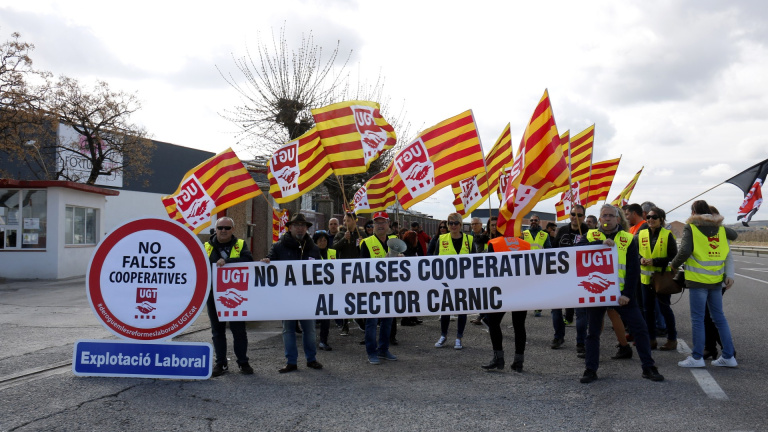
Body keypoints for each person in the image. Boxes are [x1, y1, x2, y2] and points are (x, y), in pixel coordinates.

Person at [578, 204, 664, 383]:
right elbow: (576, 251)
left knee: (640, 329)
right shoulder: (590, 235)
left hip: (621, 295)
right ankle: (590, 369)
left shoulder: (628, 238)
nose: (607, 218)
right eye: (604, 215)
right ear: (600, 219)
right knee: (592, 332)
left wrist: (628, 294)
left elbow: (633, 270)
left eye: (611, 215)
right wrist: (599, 244)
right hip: (597, 293)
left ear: (618, 219)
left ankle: (648, 367)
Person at [670, 200, 738, 368]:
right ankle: (729, 356)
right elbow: (734, 235)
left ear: (693, 212)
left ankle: (697, 357)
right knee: (719, 318)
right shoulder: (720, 229)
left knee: (698, 319)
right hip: (716, 280)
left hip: (697, 280)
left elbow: (685, 251)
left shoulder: (691, 228)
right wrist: (717, 222)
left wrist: (674, 265)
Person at [262, 214, 323, 373]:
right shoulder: (278, 247)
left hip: (307, 296)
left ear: (307, 228)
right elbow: (270, 261)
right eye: (296, 225)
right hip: (286, 297)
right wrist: (266, 261)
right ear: (290, 228)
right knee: (288, 330)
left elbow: (320, 271)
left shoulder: (313, 248)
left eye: (303, 225)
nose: (300, 228)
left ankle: (311, 359)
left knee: (309, 330)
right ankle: (291, 362)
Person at [205, 217, 254, 377]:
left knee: (239, 331)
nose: (223, 230)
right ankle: (221, 363)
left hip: (236, 294)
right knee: (217, 331)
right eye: (220, 228)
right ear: (216, 229)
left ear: (233, 229)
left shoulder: (240, 244)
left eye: (227, 228)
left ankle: (243, 362)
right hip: (214, 295)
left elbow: (248, 260)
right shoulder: (206, 246)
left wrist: (227, 261)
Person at [482, 235, 531, 372]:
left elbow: (489, 267)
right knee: (519, 325)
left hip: (501, 289)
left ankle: (498, 358)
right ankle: (518, 362)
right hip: (521, 288)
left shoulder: (495, 243)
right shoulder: (525, 244)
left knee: (493, 322)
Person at [359, 211, 399, 365]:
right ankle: (371, 352)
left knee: (387, 321)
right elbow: (363, 267)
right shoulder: (366, 243)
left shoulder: (394, 241)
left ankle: (383, 349)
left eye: (383, 222)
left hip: (390, 287)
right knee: (372, 322)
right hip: (372, 288)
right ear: (373, 225)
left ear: (388, 224)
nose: (380, 225)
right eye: (377, 222)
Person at [637, 206, 678, 351]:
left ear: (661, 219)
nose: (650, 219)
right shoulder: (641, 234)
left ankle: (672, 339)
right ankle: (651, 339)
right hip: (645, 280)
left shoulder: (667, 235)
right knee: (648, 311)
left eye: (654, 217)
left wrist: (655, 261)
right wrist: (640, 259)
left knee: (665, 309)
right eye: (648, 217)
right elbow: (635, 252)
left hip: (662, 279)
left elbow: (673, 257)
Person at [433, 213, 475, 350]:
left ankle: (459, 337)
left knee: (462, 310)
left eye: (456, 223)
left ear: (460, 224)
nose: (453, 226)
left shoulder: (469, 239)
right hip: (446, 281)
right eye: (450, 223)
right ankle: (443, 335)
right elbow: (434, 259)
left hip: (464, 281)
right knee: (445, 309)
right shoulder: (441, 239)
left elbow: (475, 260)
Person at [550, 205, 588, 354]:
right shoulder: (562, 230)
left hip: (581, 277)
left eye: (579, 215)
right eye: (573, 214)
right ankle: (558, 337)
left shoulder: (589, 231)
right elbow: (553, 250)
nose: (575, 217)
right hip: (561, 276)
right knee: (556, 309)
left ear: (584, 217)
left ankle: (581, 342)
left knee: (581, 312)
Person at [333, 212, 367, 336]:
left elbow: (366, 251)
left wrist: (362, 243)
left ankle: (359, 318)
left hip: (358, 269)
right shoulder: (340, 234)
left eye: (348, 220)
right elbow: (334, 247)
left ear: (354, 221)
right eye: (344, 220)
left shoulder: (361, 234)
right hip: (345, 269)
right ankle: (345, 324)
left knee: (358, 295)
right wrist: (344, 239)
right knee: (345, 295)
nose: (345, 223)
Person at [313, 230, 336, 351]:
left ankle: (323, 340)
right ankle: (311, 340)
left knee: (326, 317)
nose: (323, 242)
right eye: (320, 240)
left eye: (325, 240)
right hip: (314, 289)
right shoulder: (311, 254)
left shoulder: (333, 252)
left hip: (329, 289)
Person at [524, 214, 550, 317]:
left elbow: (548, 249)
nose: (533, 222)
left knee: (539, 287)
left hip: (540, 264)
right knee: (527, 286)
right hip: (526, 264)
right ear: (529, 222)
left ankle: (538, 308)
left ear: (539, 222)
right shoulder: (523, 234)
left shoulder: (545, 235)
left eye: (535, 220)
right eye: (531, 220)